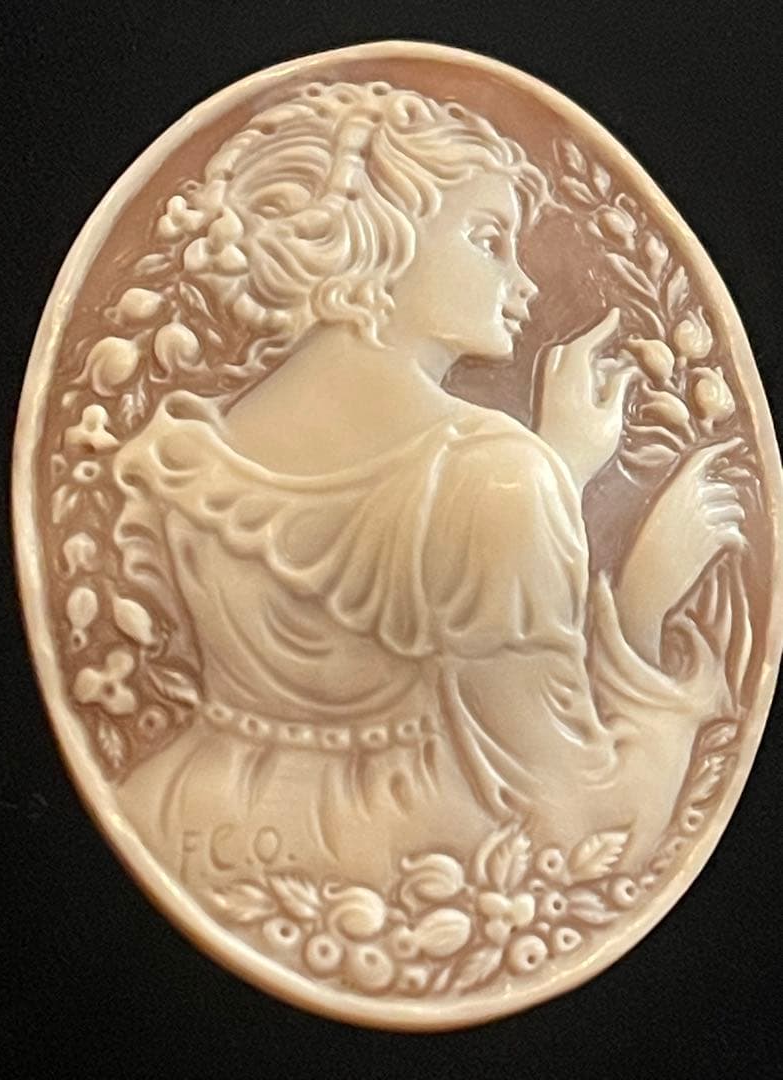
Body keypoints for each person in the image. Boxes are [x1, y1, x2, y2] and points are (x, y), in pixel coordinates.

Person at [111, 81, 744, 888]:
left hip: (183, 827)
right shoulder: (498, 476)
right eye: (489, 240)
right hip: (394, 869)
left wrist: (554, 479)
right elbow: (581, 822)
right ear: (375, 241)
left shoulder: (190, 452)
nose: (525, 284)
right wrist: (645, 600)